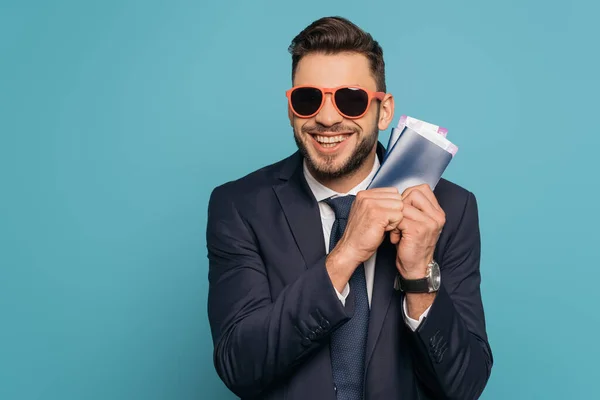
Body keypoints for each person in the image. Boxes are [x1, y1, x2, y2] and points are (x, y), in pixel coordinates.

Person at [206, 16, 493, 400]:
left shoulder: (449, 209)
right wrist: (346, 254)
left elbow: (465, 386)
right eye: (308, 99)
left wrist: (418, 277)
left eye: (350, 99)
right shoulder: (239, 206)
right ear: (291, 109)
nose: (326, 118)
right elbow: (239, 367)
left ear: (384, 110)